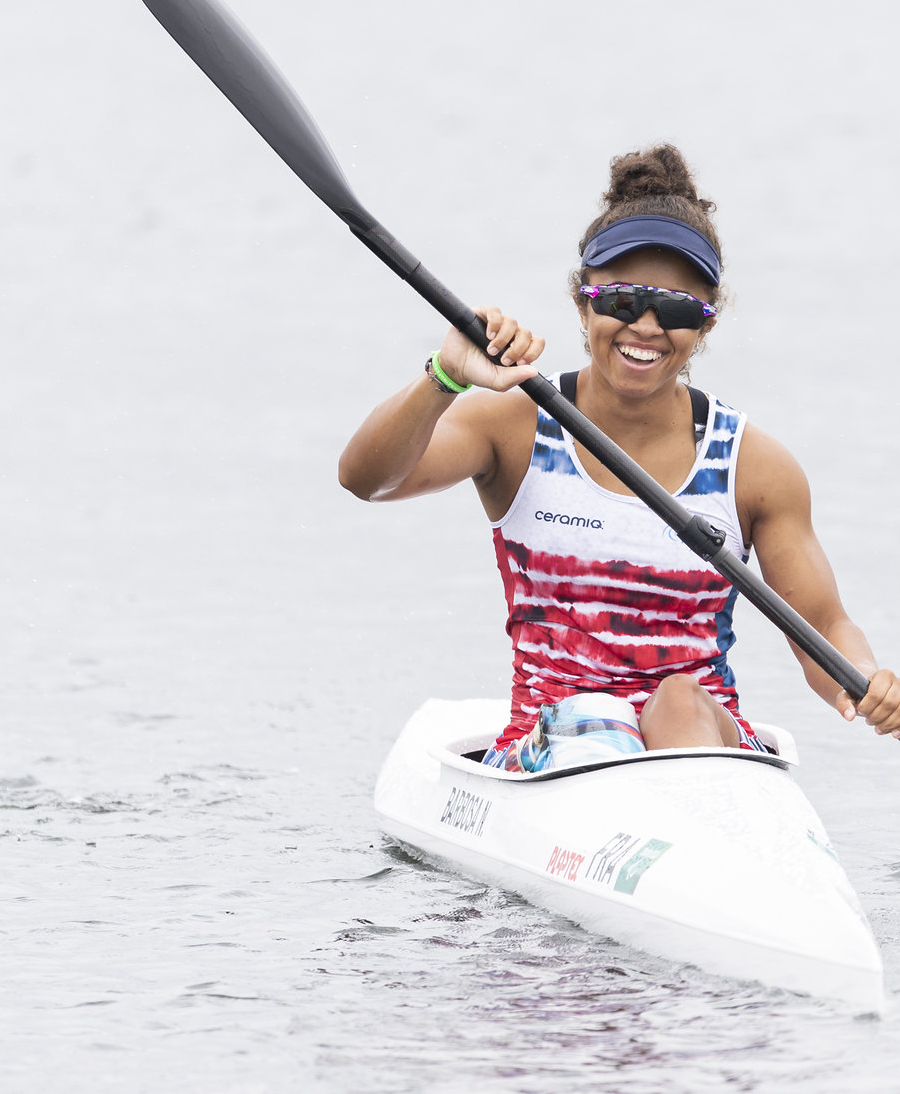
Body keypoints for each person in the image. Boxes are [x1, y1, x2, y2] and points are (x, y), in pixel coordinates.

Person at [338, 144, 900, 767]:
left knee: (680, 699)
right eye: (624, 300)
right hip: (553, 745)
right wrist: (445, 376)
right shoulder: (517, 421)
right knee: (595, 714)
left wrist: (870, 682)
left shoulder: (755, 467)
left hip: (702, 739)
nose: (648, 327)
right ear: (584, 301)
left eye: (680, 309)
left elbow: (824, 626)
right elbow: (366, 479)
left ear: (706, 325)